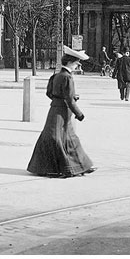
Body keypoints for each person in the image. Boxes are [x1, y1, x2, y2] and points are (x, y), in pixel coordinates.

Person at [27, 45, 95, 177]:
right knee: (58, 138)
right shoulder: (68, 77)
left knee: (67, 138)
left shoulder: (56, 76)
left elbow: (49, 93)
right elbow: (69, 99)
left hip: (54, 109)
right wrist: (79, 114)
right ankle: (60, 168)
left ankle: (81, 166)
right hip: (63, 112)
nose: (77, 65)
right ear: (70, 62)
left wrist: (59, 98)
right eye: (76, 63)